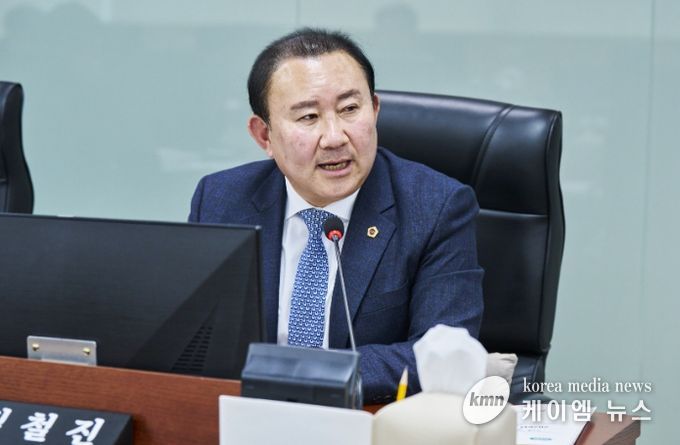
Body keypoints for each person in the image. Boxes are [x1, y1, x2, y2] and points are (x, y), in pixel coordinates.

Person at [189, 28, 483, 403]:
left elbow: (441, 354)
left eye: (349, 109)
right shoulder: (221, 200)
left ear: (374, 110)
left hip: (368, 417)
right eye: (308, 116)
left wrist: (297, 376)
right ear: (264, 135)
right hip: (247, 413)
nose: (334, 137)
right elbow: (197, 339)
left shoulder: (436, 207)